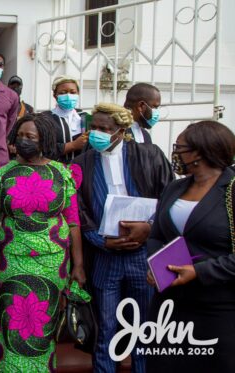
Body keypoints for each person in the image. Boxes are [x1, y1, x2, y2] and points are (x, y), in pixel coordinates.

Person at [73, 103, 174, 373]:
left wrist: (150, 228)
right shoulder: (82, 162)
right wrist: (98, 240)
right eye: (93, 127)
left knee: (143, 328)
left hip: (143, 257)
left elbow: (168, 197)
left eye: (104, 129)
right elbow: (78, 210)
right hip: (105, 257)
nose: (97, 133)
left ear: (122, 130)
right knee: (106, 328)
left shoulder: (149, 155)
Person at [0, 113, 89, 372]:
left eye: (30, 137)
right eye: (20, 136)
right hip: (12, 261)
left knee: (44, 324)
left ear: (44, 140)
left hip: (52, 263)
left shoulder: (62, 174)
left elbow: (73, 222)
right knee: (12, 321)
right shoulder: (3, 175)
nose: (23, 141)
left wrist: (79, 265)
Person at [146, 121, 235, 372]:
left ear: (199, 152)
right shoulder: (175, 187)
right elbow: (156, 235)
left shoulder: (232, 189)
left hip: (218, 307)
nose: (176, 154)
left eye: (181, 148)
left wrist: (198, 271)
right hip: (169, 306)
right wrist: (156, 266)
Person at [46, 75, 88, 163]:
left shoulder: (84, 117)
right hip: (56, 169)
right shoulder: (45, 118)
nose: (68, 96)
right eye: (63, 93)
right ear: (55, 95)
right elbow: (43, 148)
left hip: (82, 169)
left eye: (73, 92)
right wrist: (73, 145)